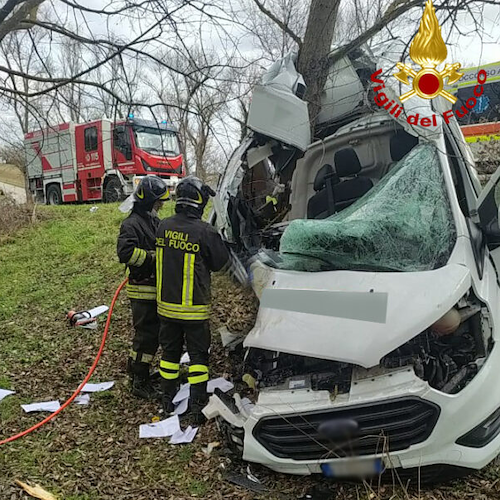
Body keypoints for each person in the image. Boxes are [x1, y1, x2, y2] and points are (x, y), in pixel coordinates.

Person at [155, 176, 230, 423]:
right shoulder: (204, 231)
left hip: (166, 308)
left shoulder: (163, 226)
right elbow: (220, 262)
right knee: (198, 359)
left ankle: (167, 399)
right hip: (194, 311)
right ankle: (197, 406)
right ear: (199, 202)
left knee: (169, 355)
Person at [117, 175, 169, 399]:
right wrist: (154, 258)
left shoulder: (151, 219)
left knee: (154, 334)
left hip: (154, 288)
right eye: (159, 200)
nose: (162, 204)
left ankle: (142, 372)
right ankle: (138, 380)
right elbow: (125, 253)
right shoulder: (131, 224)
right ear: (149, 200)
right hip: (142, 290)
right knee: (146, 336)